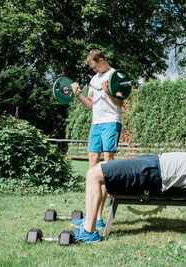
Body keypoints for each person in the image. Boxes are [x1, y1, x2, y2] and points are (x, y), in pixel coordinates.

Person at [72, 117, 186, 242]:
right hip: (154, 162)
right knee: (99, 174)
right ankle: (93, 221)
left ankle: (89, 232)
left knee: (94, 174)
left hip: (154, 172)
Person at [70, 49, 124, 229]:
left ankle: (99, 216)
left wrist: (109, 91)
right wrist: (78, 95)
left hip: (111, 122)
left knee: (107, 164)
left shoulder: (116, 76)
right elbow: (90, 104)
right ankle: (90, 215)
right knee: (92, 163)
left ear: (101, 60)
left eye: (94, 66)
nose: (93, 70)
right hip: (96, 124)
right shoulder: (94, 79)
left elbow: (120, 103)